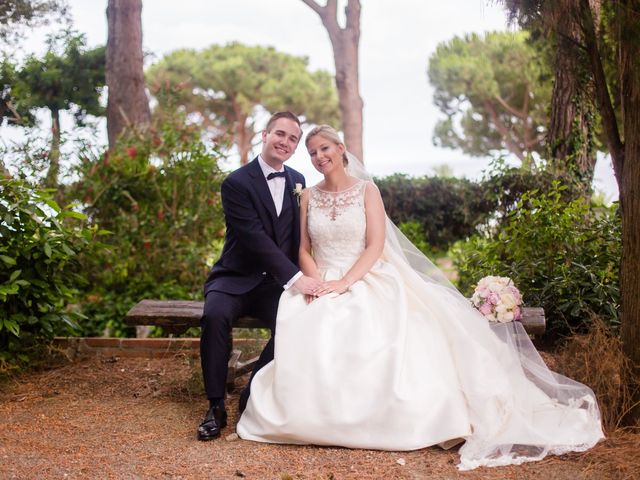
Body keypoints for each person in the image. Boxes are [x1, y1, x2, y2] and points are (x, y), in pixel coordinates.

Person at [236, 125, 604, 470]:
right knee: (306, 317)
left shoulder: (367, 191)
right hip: (322, 279)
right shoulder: (308, 196)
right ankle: (305, 416)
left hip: (365, 276)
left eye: (324, 148)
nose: (318, 157)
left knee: (374, 324)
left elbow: (376, 245)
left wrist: (345, 282)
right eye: (313, 152)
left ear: (341, 149)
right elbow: (303, 247)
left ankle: (384, 417)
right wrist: (317, 284)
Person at [197, 112, 322, 441]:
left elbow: (298, 237)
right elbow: (254, 238)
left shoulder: (298, 180)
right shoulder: (236, 183)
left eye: (293, 139)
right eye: (279, 134)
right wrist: (297, 279)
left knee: (295, 322)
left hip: (272, 284)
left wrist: (315, 275)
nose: (285, 142)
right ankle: (215, 406)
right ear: (264, 136)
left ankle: (251, 394)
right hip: (234, 277)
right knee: (214, 317)